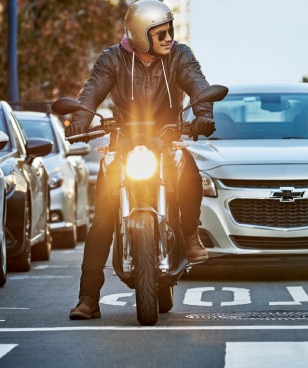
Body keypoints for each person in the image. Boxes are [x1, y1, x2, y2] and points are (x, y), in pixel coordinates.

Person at [69, 0, 216, 320]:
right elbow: (92, 90)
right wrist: (80, 118)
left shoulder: (180, 55)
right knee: (103, 220)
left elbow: (197, 83)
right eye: (159, 33)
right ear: (139, 34)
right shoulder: (113, 58)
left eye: (169, 31)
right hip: (124, 144)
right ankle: (88, 298)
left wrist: (203, 114)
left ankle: (190, 233)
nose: (168, 38)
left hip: (166, 140)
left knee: (188, 169)